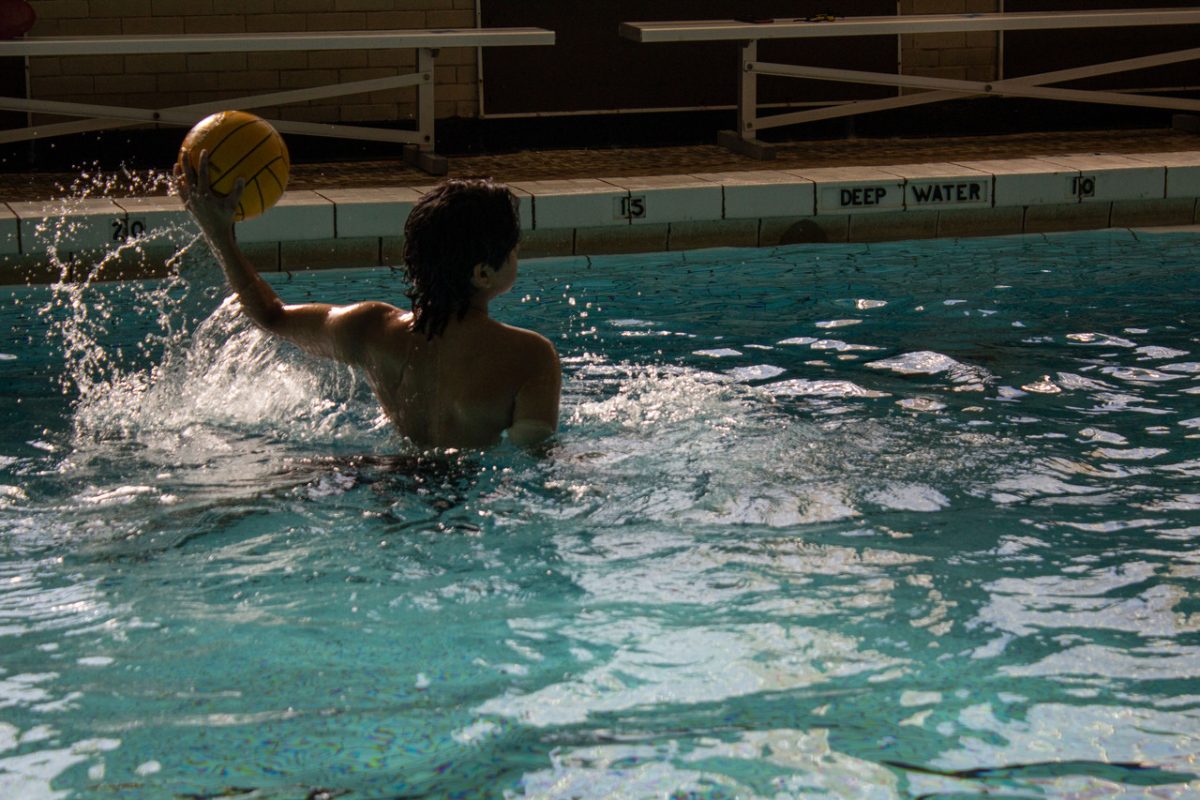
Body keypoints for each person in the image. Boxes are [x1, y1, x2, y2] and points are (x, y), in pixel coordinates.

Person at [176, 158, 561, 450]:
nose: (516, 256)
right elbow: (535, 456)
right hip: (471, 495)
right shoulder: (530, 355)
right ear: (483, 274)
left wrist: (218, 231)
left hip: (386, 477)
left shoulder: (369, 329)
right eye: (512, 251)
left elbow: (270, 315)